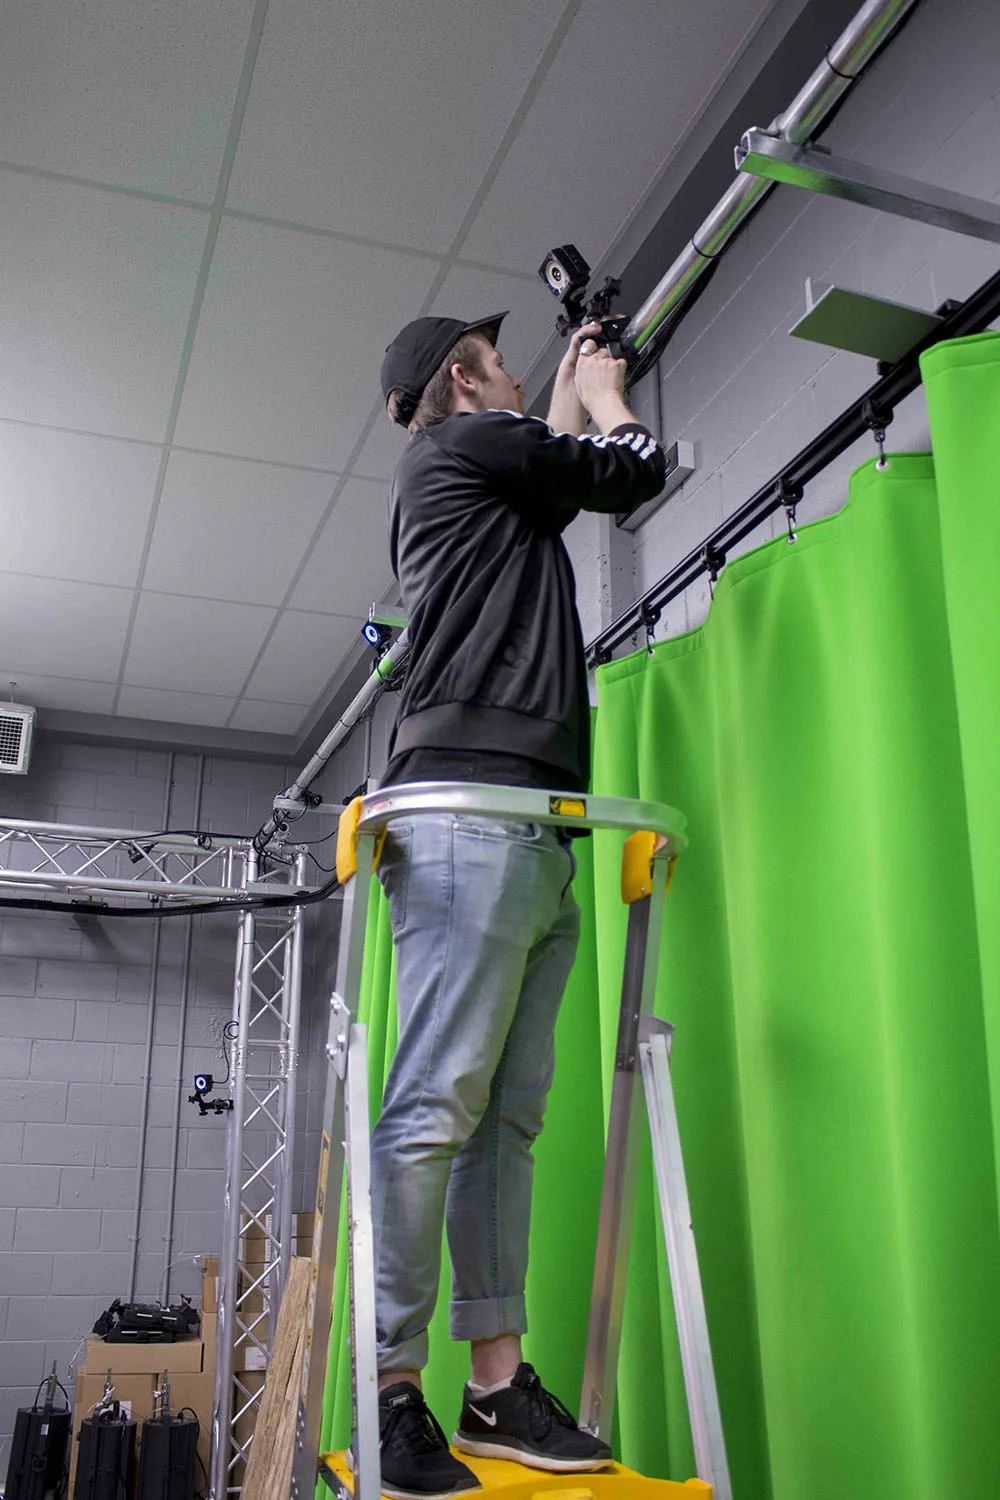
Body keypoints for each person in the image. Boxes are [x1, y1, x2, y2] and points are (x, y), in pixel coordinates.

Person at [366, 310, 666, 1498]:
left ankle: (493, 1391)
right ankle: (392, 1393)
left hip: (532, 824)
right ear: (462, 376)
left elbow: (543, 472)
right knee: (436, 1108)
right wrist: (609, 395)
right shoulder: (458, 447)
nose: (518, 374)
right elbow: (626, 472)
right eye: (499, 364)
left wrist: (562, 398)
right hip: (471, 816)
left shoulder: (482, 475)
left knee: (502, 1122)